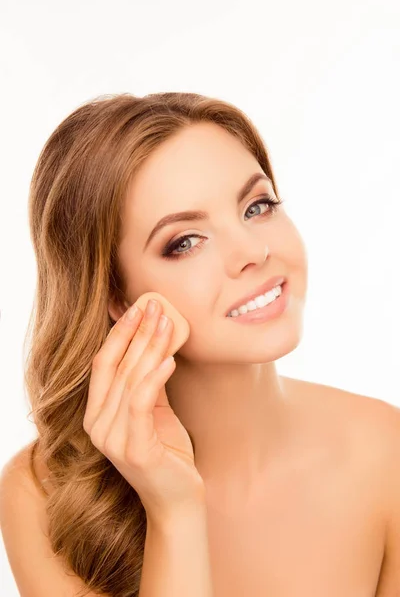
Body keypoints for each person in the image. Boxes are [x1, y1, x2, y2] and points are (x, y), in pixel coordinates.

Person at [1, 92, 399, 597]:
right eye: (185, 241)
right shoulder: (43, 494)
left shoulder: (385, 451)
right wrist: (174, 512)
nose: (254, 251)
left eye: (258, 206)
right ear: (116, 297)